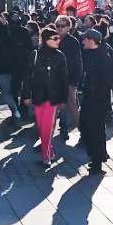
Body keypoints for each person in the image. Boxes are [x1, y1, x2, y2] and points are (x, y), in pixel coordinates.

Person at [24, 26, 69, 165]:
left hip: (53, 97)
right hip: (38, 96)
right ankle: (50, 150)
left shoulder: (60, 56)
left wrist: (64, 98)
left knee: (48, 127)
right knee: (41, 126)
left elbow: (64, 79)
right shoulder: (35, 54)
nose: (58, 40)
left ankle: (46, 156)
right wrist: (25, 95)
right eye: (54, 38)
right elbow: (27, 77)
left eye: (58, 38)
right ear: (45, 40)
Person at [78, 29, 113, 174]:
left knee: (96, 131)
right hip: (88, 97)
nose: (82, 42)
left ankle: (97, 161)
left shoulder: (104, 56)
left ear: (91, 40)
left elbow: (109, 79)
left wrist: (95, 88)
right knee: (85, 127)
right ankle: (95, 155)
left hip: (99, 99)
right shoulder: (86, 54)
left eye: (85, 39)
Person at [54, 16, 82, 134]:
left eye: (62, 26)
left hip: (69, 79)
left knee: (71, 106)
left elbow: (75, 62)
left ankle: (84, 132)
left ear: (68, 27)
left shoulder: (72, 41)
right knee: (54, 107)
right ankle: (49, 136)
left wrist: (75, 81)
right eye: (58, 26)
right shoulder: (54, 39)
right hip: (55, 79)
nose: (60, 28)